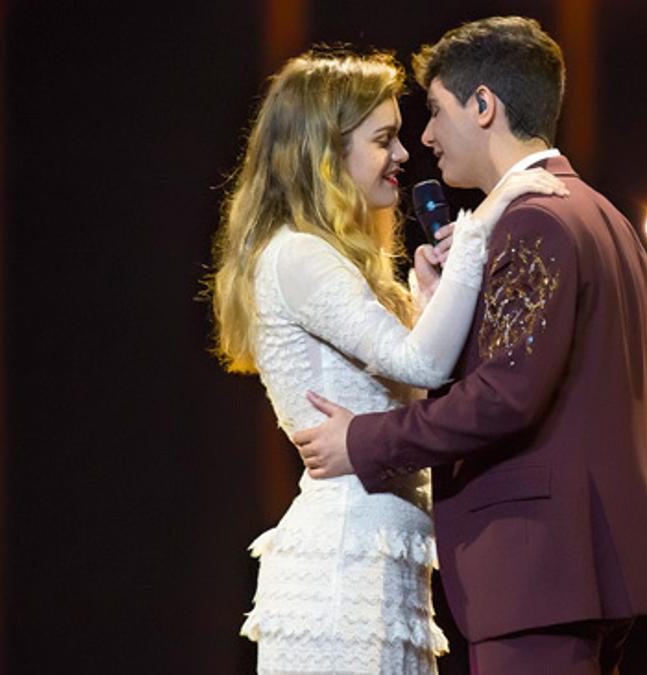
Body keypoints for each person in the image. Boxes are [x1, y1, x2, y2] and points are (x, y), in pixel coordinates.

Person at [293, 18, 647, 674]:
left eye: (437, 111)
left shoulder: (534, 220)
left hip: (538, 571)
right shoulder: (606, 218)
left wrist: (363, 439)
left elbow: (505, 395)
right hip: (586, 571)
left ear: (484, 106)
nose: (425, 137)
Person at [208, 48, 568, 674]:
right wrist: (484, 228)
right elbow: (423, 366)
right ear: (326, 153)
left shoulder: (331, 257)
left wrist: (431, 296)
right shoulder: (298, 255)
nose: (405, 155)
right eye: (384, 139)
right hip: (344, 561)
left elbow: (411, 380)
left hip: (379, 554)